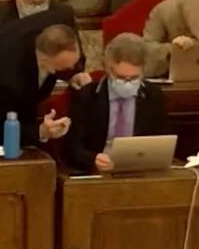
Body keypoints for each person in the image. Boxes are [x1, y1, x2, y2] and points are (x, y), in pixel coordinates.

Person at [0, 6, 91, 147]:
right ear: (46, 63)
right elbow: (1, 131)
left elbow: (65, 14)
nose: (71, 69)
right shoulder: (7, 80)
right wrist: (41, 132)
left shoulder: (61, 19)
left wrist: (74, 74)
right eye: (65, 68)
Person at [66, 34, 171, 173]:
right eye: (121, 77)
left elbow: (162, 141)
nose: (128, 83)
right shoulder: (87, 96)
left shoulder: (153, 96)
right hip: (97, 172)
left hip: (140, 171)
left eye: (134, 78)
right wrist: (92, 159)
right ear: (108, 69)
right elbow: (71, 148)